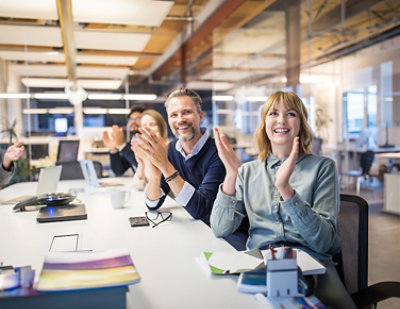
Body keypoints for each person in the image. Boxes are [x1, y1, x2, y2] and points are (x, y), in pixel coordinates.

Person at [210, 91, 355, 308]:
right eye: (273, 113)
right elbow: (220, 228)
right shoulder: (248, 172)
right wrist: (231, 175)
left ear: (301, 124)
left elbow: (323, 242)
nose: (281, 120)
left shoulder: (323, 168)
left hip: (312, 265)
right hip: (261, 262)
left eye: (290, 114)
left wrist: (286, 190)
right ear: (264, 123)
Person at [134, 87, 248, 250]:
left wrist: (165, 166)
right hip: (196, 234)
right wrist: (155, 173)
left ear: (200, 116)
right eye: (174, 115)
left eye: (186, 112)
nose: (180, 119)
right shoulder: (171, 150)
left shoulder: (218, 152)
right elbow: (152, 204)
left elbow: (201, 210)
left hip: (228, 240)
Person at [131, 110, 168, 191]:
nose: (147, 128)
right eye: (144, 125)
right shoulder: (144, 149)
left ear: (161, 128)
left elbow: (158, 185)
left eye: (152, 125)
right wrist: (141, 163)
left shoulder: (169, 148)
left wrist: (146, 159)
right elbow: (137, 186)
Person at [102, 105, 146, 176]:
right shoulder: (132, 143)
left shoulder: (149, 142)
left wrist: (121, 145)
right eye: (131, 119)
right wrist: (113, 150)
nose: (132, 122)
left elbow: (142, 166)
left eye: (137, 118)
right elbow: (119, 170)